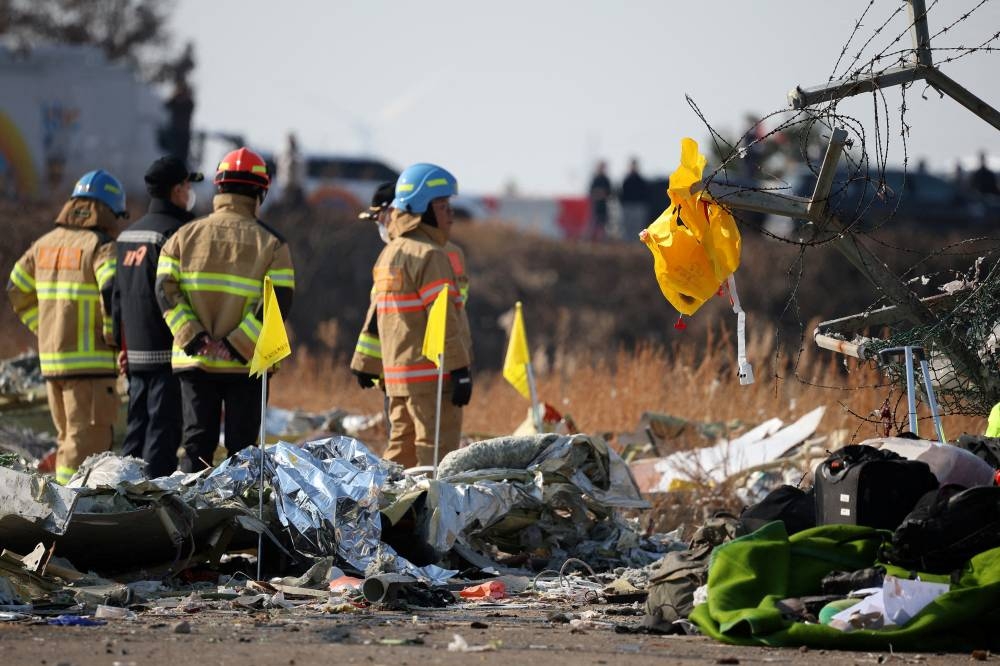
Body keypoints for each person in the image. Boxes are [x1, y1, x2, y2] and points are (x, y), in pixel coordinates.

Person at [155, 147, 295, 472]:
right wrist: (235, 345)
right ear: (261, 192)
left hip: (194, 360)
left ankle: (190, 518)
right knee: (242, 454)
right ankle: (236, 517)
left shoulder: (182, 236)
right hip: (247, 365)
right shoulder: (272, 243)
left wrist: (196, 338)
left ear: (219, 188)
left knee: (196, 449)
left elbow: (164, 290)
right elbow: (279, 302)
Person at [7, 170, 126, 484]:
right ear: (109, 210)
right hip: (91, 369)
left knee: (66, 440)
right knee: (86, 444)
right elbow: (111, 290)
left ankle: (63, 507)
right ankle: (71, 514)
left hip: (53, 364)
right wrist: (114, 338)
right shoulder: (101, 246)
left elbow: (15, 287)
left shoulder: (43, 245)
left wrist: (44, 328)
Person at [351, 182, 472, 441]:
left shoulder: (420, 254)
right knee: (422, 448)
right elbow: (383, 313)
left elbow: (445, 315)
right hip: (418, 370)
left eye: (379, 217)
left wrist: (365, 362)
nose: (380, 224)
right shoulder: (408, 252)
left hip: (417, 370)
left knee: (410, 447)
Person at [111, 156, 203, 478]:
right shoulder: (178, 234)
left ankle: (120, 498)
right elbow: (185, 294)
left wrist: (120, 348)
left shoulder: (126, 238)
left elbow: (116, 298)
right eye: (189, 185)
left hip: (134, 356)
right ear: (177, 190)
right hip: (170, 356)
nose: (191, 192)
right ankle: (148, 510)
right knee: (162, 441)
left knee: (134, 436)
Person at [619, 157, 649, 241]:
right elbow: (622, 193)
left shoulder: (641, 180)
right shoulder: (626, 180)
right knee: (627, 227)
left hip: (638, 206)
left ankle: (637, 243)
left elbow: (645, 194)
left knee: (638, 227)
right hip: (628, 206)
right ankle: (627, 244)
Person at [588, 160, 612, 241]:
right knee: (593, 225)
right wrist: (599, 194)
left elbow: (608, 193)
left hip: (604, 206)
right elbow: (591, 192)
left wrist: (601, 194)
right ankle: (593, 240)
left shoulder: (606, 180)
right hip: (595, 206)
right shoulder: (595, 179)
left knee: (603, 226)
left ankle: (602, 240)